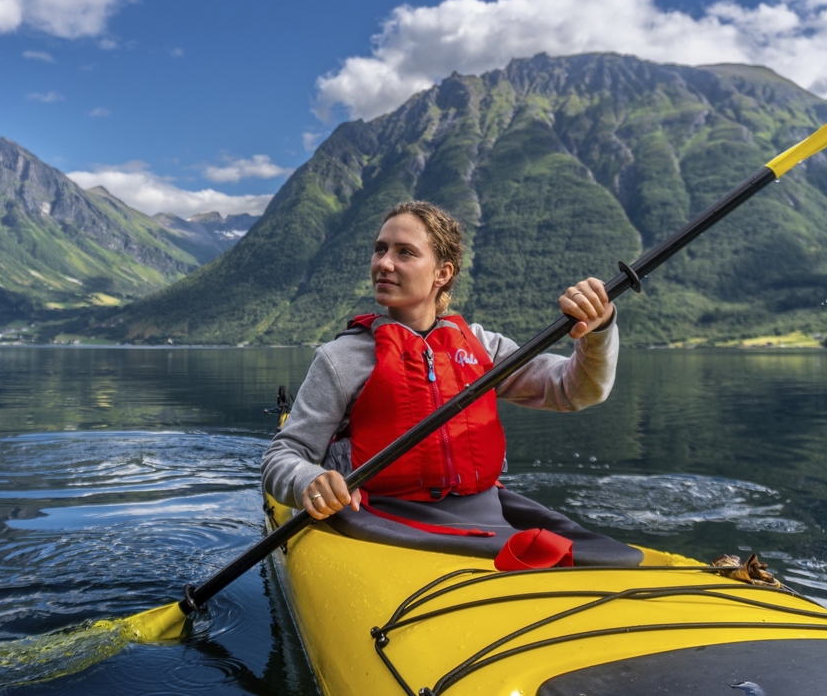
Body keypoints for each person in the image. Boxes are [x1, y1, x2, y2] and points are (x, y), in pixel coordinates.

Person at [261, 201, 619, 547]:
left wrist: (599, 330)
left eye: (405, 252)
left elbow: (576, 390)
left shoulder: (484, 348)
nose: (384, 263)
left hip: (486, 519)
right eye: (380, 249)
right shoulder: (341, 359)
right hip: (380, 522)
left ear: (442, 274)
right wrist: (309, 478)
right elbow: (282, 457)